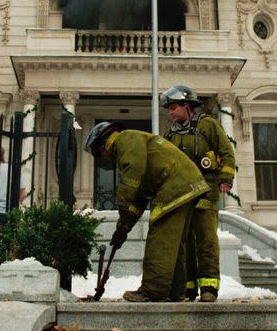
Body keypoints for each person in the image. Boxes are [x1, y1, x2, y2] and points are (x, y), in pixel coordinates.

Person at [84, 121, 210, 302]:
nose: (103, 158)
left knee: (160, 237)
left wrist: (122, 207)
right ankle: (175, 292)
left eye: (99, 153)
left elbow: (131, 181)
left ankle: (153, 291)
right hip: (186, 184)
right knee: (173, 242)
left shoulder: (125, 139)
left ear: (103, 144)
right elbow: (139, 199)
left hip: (175, 184)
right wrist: (124, 226)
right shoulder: (134, 146)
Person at [161, 85, 236, 302]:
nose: (170, 113)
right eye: (168, 109)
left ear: (186, 106)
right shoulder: (170, 134)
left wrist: (225, 179)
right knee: (184, 244)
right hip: (182, 197)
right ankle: (189, 288)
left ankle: (209, 288)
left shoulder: (208, 126)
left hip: (206, 193)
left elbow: (226, 153)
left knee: (206, 241)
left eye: (173, 107)